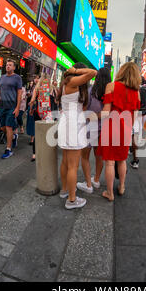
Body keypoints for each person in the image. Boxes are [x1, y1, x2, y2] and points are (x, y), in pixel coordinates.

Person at [96, 62, 141, 201]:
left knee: (110, 162)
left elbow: (105, 113)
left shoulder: (112, 86)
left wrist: (92, 115)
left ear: (121, 72)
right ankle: (121, 187)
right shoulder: (137, 92)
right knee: (122, 160)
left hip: (111, 127)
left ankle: (110, 193)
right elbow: (134, 115)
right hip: (126, 129)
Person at [57, 63, 97, 209]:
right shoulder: (72, 81)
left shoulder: (65, 84)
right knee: (73, 165)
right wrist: (77, 71)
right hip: (73, 125)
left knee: (66, 162)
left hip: (67, 123)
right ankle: (72, 200)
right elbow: (93, 72)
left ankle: (65, 190)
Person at [76, 67, 111, 194]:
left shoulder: (90, 92)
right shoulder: (109, 94)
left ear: (97, 78)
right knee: (99, 156)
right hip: (103, 130)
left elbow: (84, 112)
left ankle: (89, 185)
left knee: (84, 157)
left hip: (89, 129)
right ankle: (96, 180)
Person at [0, 60, 22, 159]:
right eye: (7, 65)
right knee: (3, 128)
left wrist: (17, 108)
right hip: (2, 106)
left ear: (14, 67)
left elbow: (20, 94)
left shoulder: (17, 78)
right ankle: (14, 136)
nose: (7, 66)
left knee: (8, 127)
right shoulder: (2, 77)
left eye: (10, 65)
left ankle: (8, 149)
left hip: (12, 107)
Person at [29, 73, 52, 161]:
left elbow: (32, 100)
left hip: (38, 112)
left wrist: (31, 109)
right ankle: (45, 154)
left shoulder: (37, 88)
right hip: (48, 114)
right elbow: (57, 101)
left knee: (37, 133)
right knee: (47, 133)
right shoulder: (52, 88)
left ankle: (34, 154)